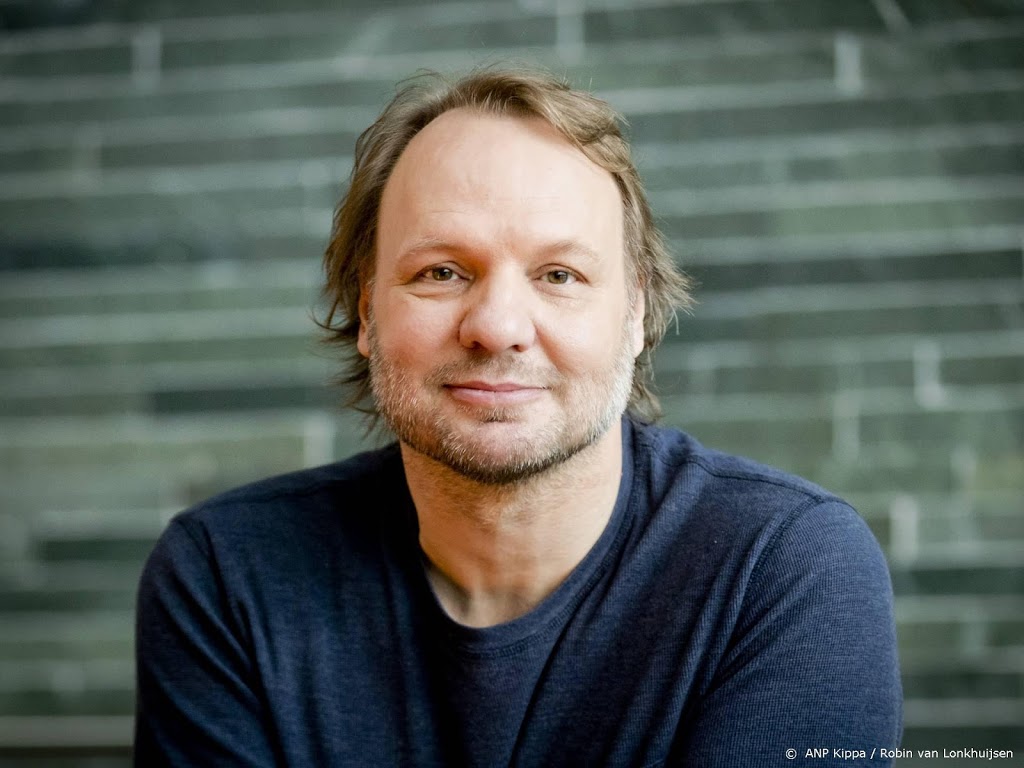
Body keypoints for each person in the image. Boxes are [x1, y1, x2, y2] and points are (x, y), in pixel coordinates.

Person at [134, 67, 902, 767]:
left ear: (635, 314)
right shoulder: (228, 576)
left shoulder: (785, 569)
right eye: (441, 271)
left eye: (559, 275)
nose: (498, 326)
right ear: (366, 311)